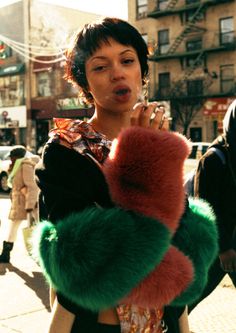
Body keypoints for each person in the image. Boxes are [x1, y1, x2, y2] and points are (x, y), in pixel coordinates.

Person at [34, 17, 218, 333]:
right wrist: (140, 159)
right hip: (98, 324)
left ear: (142, 73)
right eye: (100, 67)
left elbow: (185, 242)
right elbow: (84, 261)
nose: (117, 72)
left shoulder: (159, 139)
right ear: (85, 83)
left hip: (166, 319)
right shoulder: (65, 150)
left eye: (128, 60)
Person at [189, 99, 236, 313]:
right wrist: (224, 248)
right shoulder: (213, 159)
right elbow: (205, 210)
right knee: (189, 297)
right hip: (217, 246)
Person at [0, 145, 40, 263]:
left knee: (39, 225)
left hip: (28, 203)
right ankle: (5, 254)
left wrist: (30, 205)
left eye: (12, 157)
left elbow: (32, 186)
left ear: (18, 157)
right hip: (19, 202)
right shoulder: (17, 166)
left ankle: (46, 252)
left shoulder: (26, 166)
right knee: (13, 227)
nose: (10, 159)